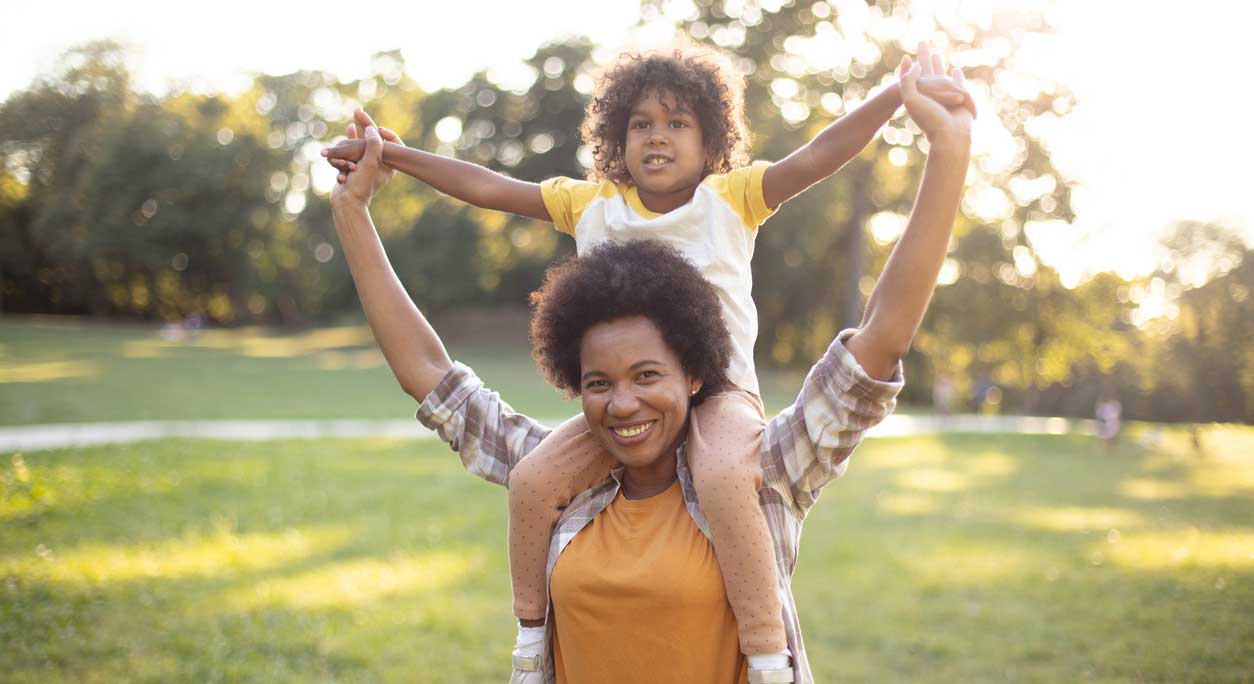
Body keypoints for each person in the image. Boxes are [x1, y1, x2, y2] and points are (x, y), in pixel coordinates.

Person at [328, 41, 971, 684]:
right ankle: (527, 642)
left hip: (728, 404)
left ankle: (769, 658)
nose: (624, 403)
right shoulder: (569, 474)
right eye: (598, 381)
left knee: (721, 475)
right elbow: (477, 229)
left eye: (677, 123)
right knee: (530, 479)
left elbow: (871, 307)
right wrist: (380, 176)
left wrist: (912, 112)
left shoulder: (761, 475)